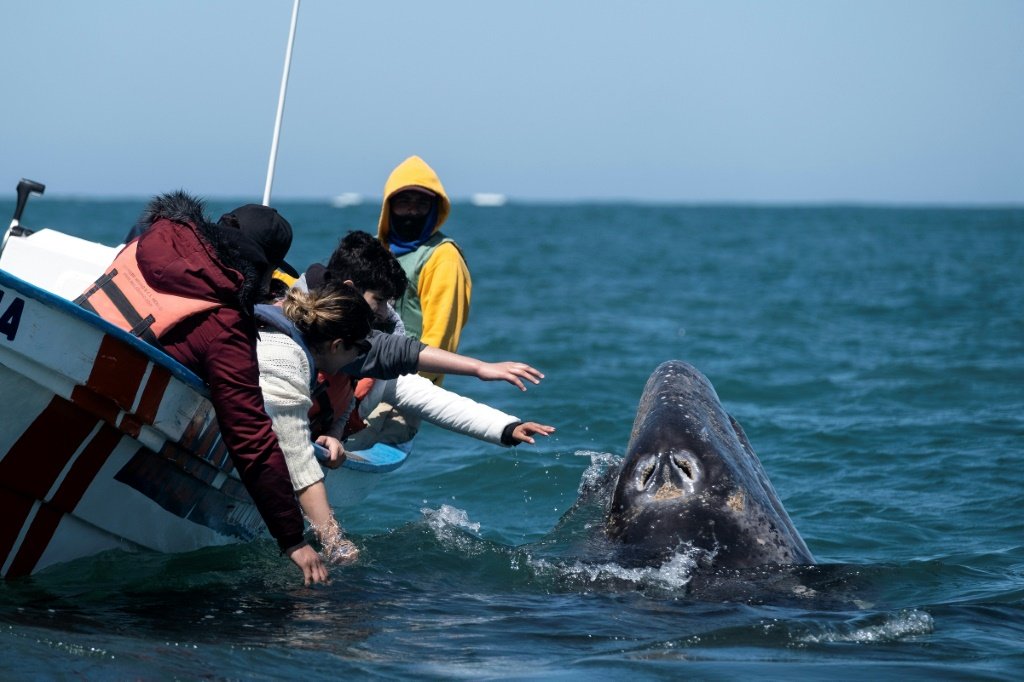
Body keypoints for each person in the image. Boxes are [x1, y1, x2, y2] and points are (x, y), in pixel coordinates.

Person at [76, 192, 326, 585]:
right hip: (94, 419)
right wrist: (292, 539)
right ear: (264, 270)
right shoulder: (227, 324)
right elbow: (251, 438)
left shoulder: (145, 243)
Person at [252, 279, 547, 563]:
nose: (363, 360)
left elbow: (424, 390)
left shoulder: (327, 343)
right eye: (359, 352)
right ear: (337, 344)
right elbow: (296, 455)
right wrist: (333, 541)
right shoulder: (282, 359)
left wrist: (505, 427)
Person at [302, 231, 555, 453]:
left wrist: (506, 427)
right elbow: (397, 351)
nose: (382, 313)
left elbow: (430, 399)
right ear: (348, 289)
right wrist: (480, 368)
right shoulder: (289, 329)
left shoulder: (372, 360)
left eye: (388, 303)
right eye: (378, 300)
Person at [377, 155, 470, 385]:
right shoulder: (374, 250)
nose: (411, 211)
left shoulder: (442, 256)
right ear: (389, 206)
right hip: (359, 377)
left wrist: (411, 385)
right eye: (403, 202)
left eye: (421, 204)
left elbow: (440, 337)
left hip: (405, 386)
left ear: (434, 209)